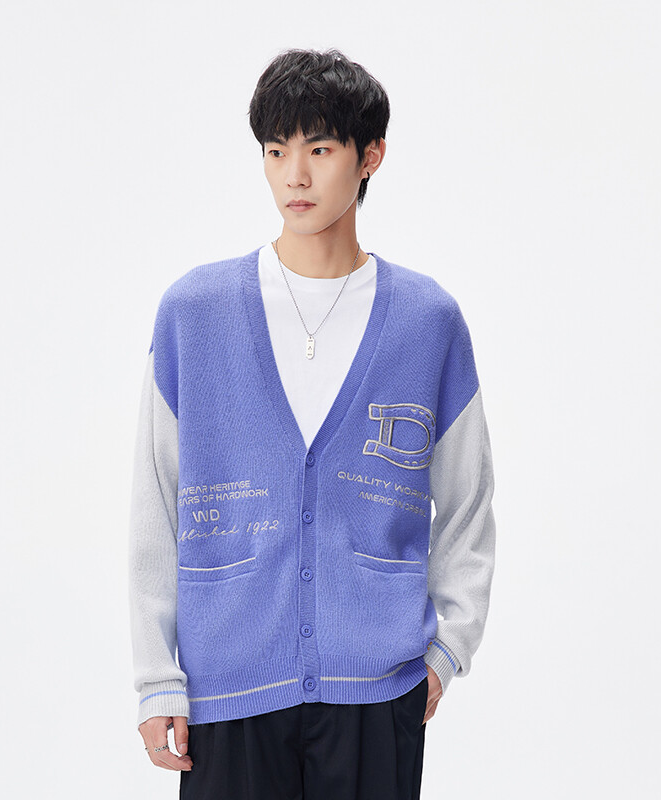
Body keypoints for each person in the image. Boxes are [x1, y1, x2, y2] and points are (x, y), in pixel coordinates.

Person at [127, 47, 496, 800]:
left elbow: (468, 504)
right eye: (276, 151)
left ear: (370, 157)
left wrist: (448, 649)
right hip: (228, 689)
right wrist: (156, 677)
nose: (294, 175)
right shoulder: (194, 314)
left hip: (377, 691)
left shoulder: (427, 322)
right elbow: (155, 503)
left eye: (319, 150)